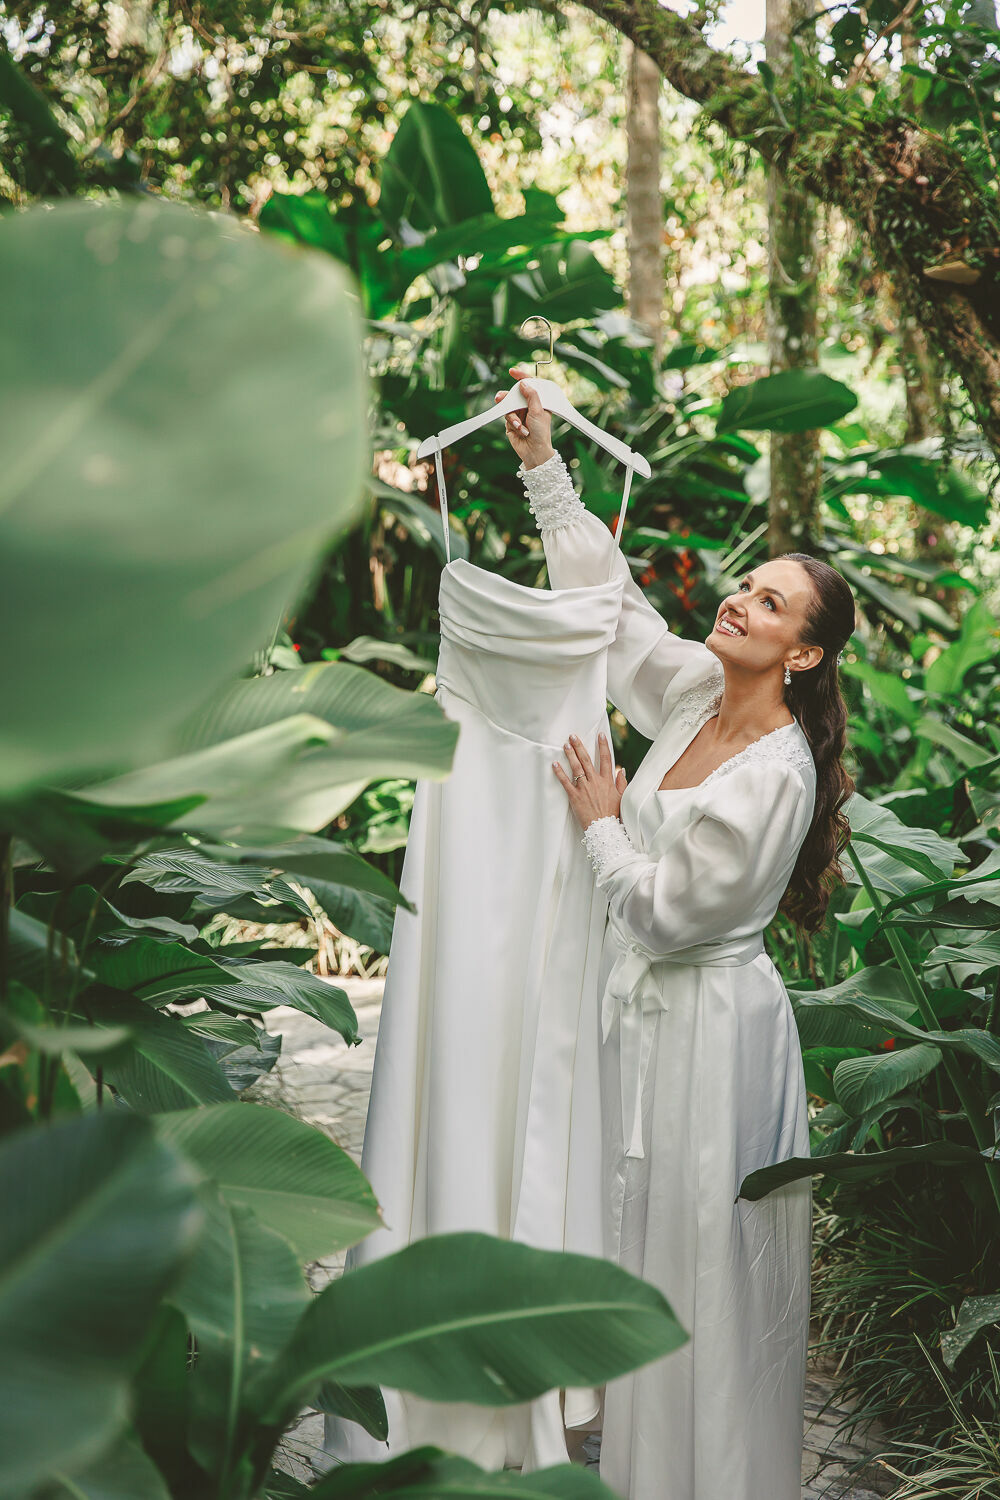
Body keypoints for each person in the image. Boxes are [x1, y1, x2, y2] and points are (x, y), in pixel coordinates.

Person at [497, 368, 856, 1500]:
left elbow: (663, 908)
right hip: (645, 1018)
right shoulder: (700, 695)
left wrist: (603, 826)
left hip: (713, 1031)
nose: (738, 604)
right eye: (744, 587)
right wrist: (543, 468)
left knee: (707, 1266)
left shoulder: (776, 776)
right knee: (646, 1248)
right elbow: (622, 625)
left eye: (766, 604)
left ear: (800, 654)